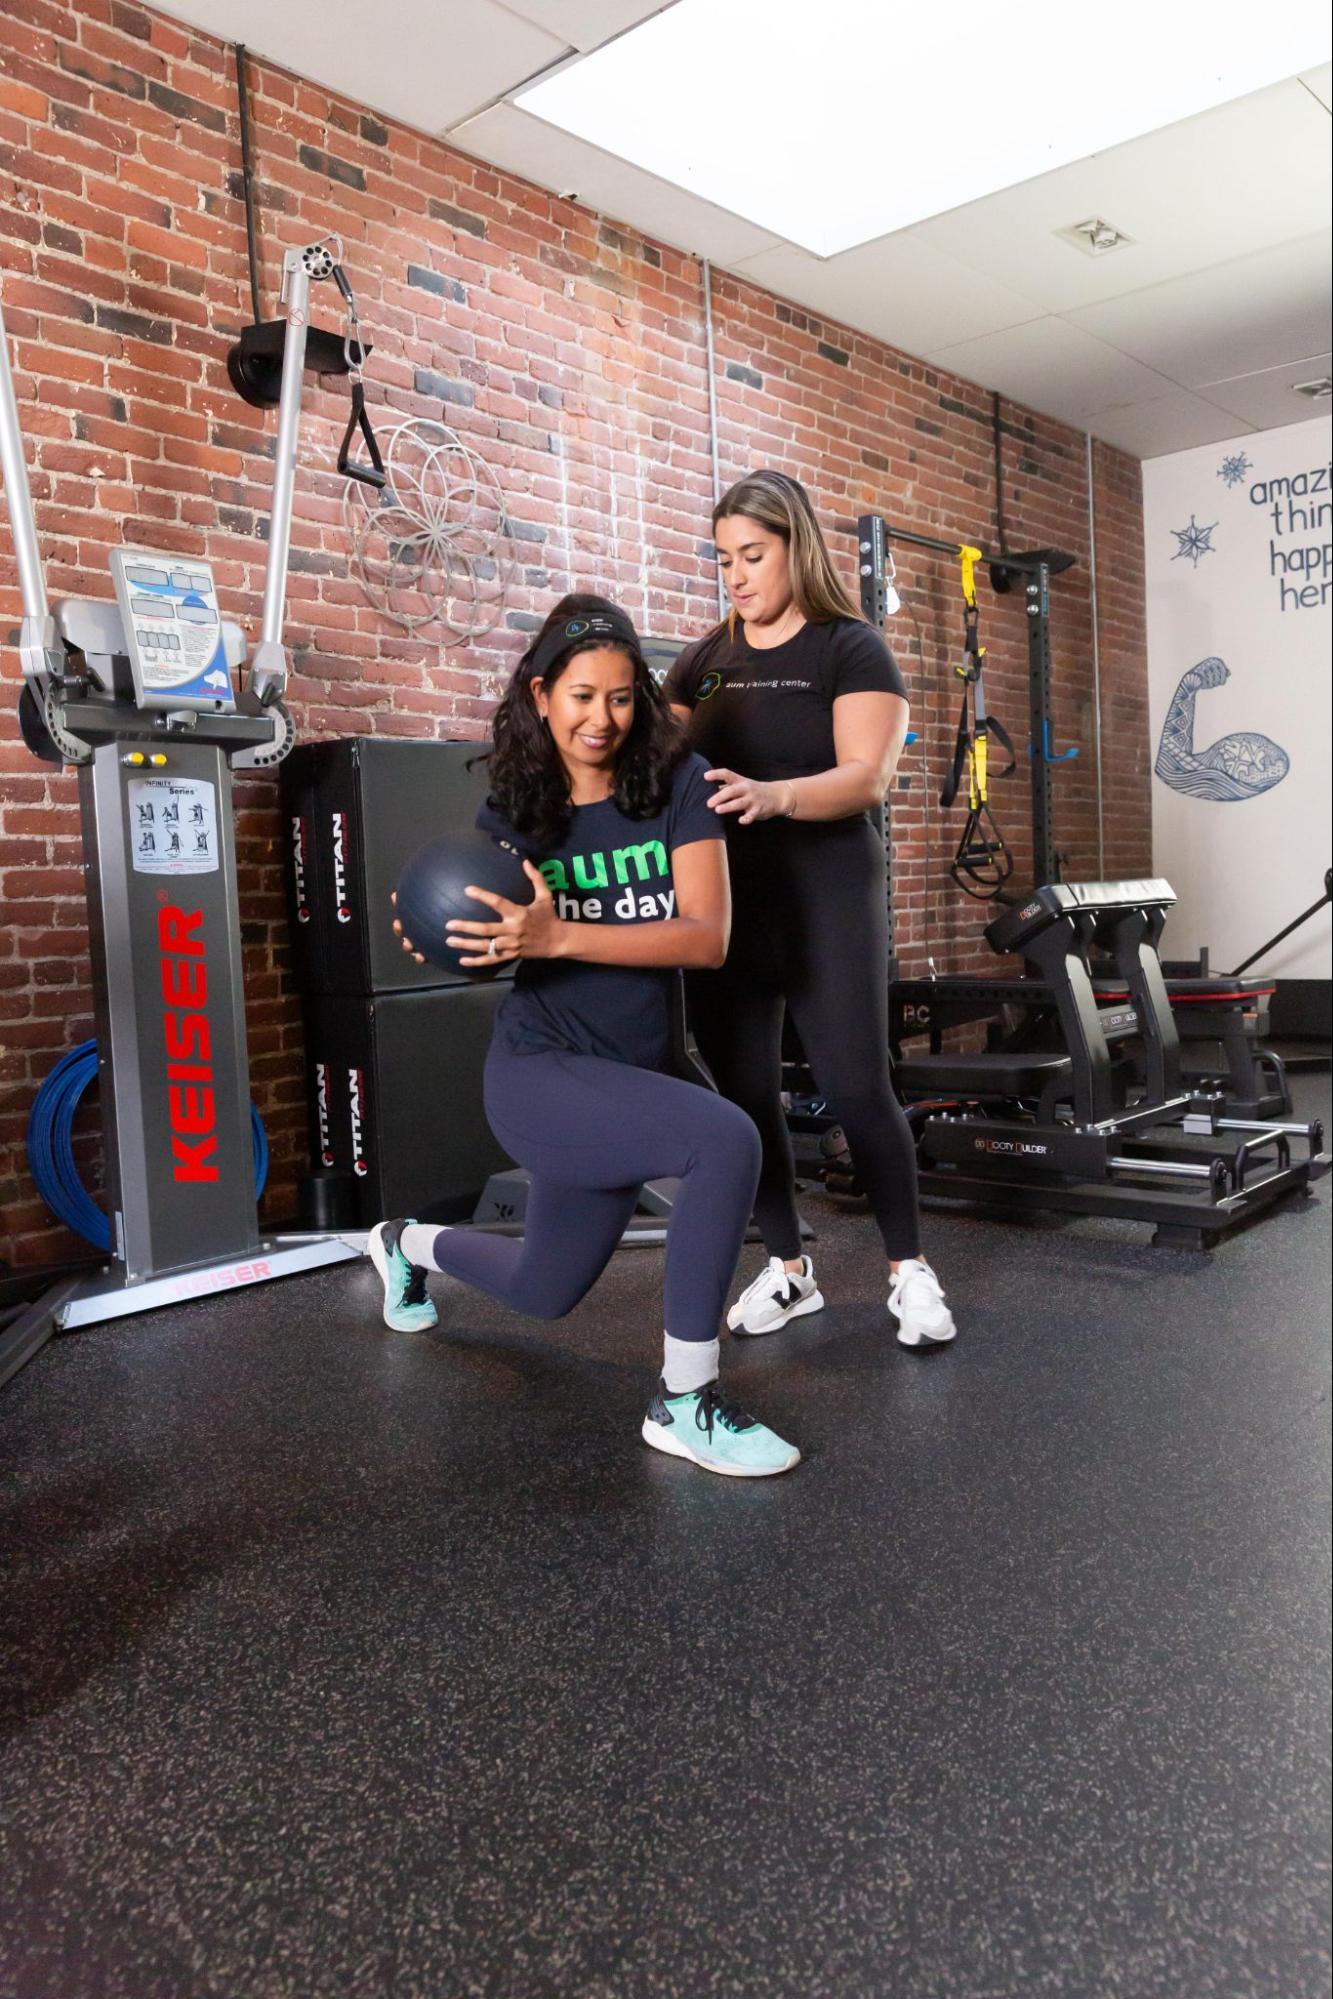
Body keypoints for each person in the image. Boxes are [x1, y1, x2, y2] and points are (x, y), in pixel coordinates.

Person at [365, 593, 800, 1478]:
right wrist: (441, 937)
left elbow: (704, 936)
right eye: (579, 696)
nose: (600, 718)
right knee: (724, 1141)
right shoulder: (516, 812)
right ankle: (684, 1402)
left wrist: (558, 934)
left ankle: (402, 1243)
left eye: (619, 696)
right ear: (539, 695)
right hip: (540, 1072)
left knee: (544, 1288)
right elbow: (482, 934)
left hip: (627, 1074)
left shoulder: (676, 784)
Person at [664, 470, 956, 1347]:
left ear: (797, 546)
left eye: (752, 555)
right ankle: (790, 1269)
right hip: (728, 904)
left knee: (856, 1085)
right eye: (724, 560)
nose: (737, 576)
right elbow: (660, 765)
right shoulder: (704, 662)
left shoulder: (849, 648)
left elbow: (866, 776)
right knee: (745, 1094)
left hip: (827, 890)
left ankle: (907, 1271)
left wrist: (774, 796)